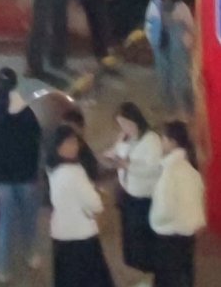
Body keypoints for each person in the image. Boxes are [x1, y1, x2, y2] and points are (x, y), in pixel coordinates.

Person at [0, 69, 45, 280]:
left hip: (0, 177)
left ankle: (3, 268)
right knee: (29, 216)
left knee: (5, 222)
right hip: (25, 174)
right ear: (16, 86)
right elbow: (36, 142)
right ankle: (30, 254)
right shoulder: (26, 112)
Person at [50, 124, 114, 287]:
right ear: (59, 147)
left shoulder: (52, 168)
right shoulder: (74, 172)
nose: (75, 146)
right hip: (81, 234)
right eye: (69, 143)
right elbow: (95, 203)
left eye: (75, 142)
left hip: (60, 232)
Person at [110, 103, 164, 280]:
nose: (124, 128)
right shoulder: (124, 137)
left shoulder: (151, 140)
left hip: (144, 196)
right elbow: (117, 151)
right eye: (120, 124)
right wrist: (112, 157)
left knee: (143, 233)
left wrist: (128, 166)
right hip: (128, 193)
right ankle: (135, 263)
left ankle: (150, 265)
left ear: (135, 120)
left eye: (126, 123)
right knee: (131, 232)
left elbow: (153, 169)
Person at [147, 123, 203, 287]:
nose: (161, 142)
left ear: (172, 142)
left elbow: (164, 208)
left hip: (170, 233)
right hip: (187, 231)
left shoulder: (170, 171)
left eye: (163, 138)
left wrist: (155, 221)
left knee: (169, 276)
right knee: (185, 272)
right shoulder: (189, 167)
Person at [146, 0, 196, 117]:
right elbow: (149, 25)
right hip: (161, 47)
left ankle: (187, 109)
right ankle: (170, 109)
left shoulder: (181, 6)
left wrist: (188, 39)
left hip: (178, 49)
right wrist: (153, 40)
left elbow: (191, 28)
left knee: (181, 79)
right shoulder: (154, 5)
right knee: (164, 78)